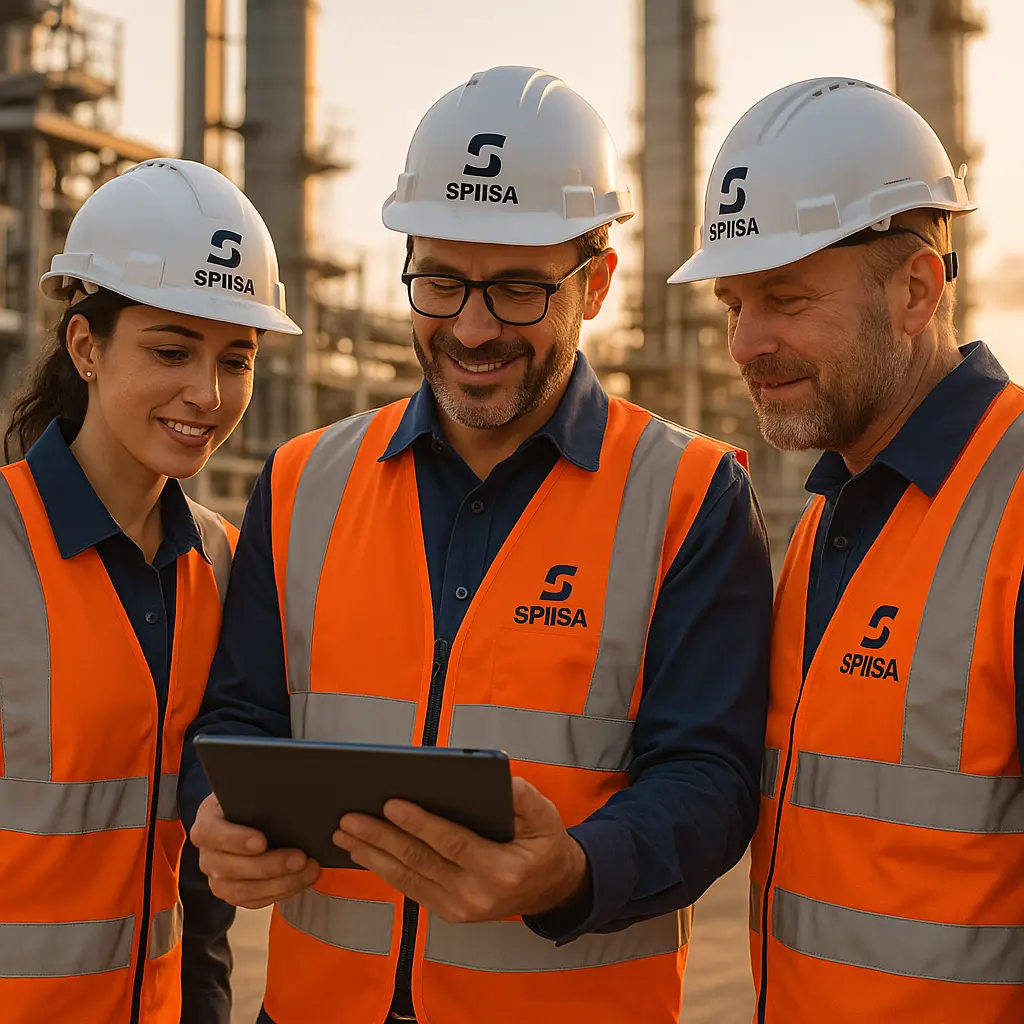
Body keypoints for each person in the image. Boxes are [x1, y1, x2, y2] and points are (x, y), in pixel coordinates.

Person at [181, 65, 773, 1024]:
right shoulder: (301, 482)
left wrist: (573, 870)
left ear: (597, 282)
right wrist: (217, 817)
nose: (472, 328)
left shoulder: (691, 496)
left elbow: (711, 777)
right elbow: (240, 718)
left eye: (518, 291)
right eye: (442, 282)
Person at [670, 76, 1024, 1023]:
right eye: (732, 304)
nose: (746, 343)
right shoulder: (830, 523)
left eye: (784, 298)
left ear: (916, 290)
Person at [0, 158, 301, 1023]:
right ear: (86, 347)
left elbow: (197, 887)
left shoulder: (224, 565)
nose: (206, 395)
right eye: (171, 351)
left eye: (236, 360)